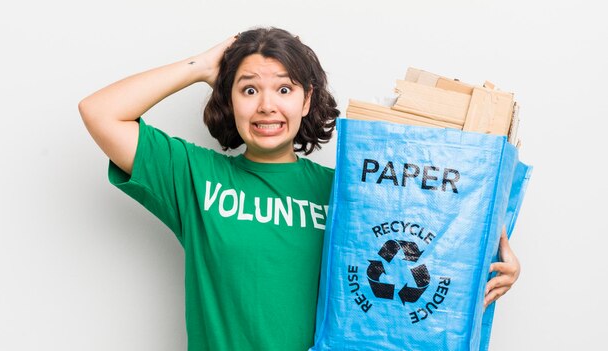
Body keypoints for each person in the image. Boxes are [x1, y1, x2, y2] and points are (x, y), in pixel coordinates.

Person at [79, 27, 519, 351]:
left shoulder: (348, 192)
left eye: (284, 89)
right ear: (228, 101)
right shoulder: (195, 178)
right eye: (248, 89)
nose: (267, 105)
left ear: (306, 100)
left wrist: (494, 268)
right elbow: (100, 112)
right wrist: (199, 66)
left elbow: (419, 256)